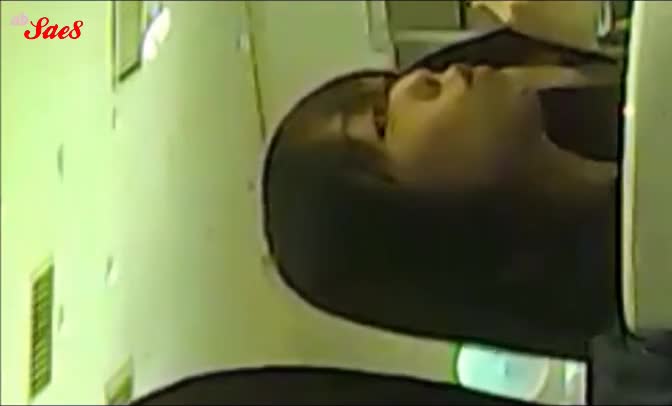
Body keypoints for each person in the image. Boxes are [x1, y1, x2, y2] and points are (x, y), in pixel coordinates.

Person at [135, 2, 622, 404]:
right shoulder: (650, 355)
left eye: (388, 85)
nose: (420, 80)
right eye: (383, 124)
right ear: (408, 238)